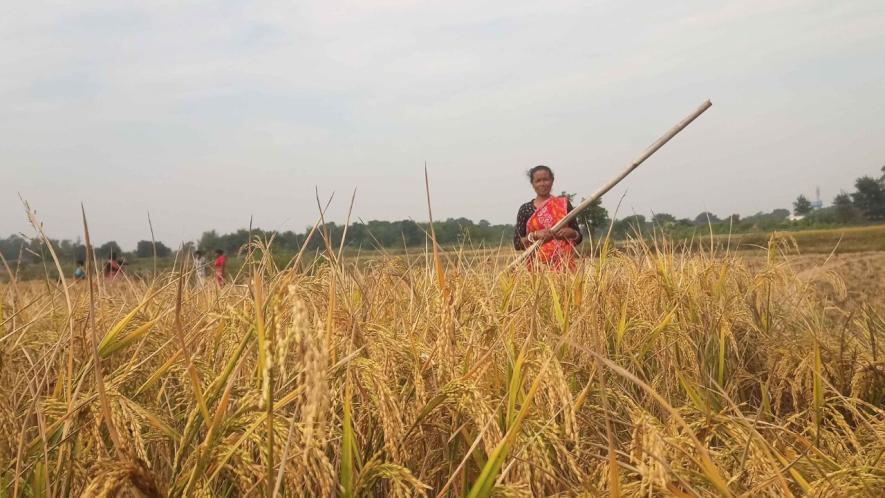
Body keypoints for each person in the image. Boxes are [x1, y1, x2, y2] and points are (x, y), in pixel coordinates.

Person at [514, 165, 582, 269]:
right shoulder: (525, 209)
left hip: (565, 267)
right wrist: (535, 235)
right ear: (532, 184)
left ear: (552, 181)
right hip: (537, 269)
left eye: (545, 180)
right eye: (538, 181)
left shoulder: (563, 204)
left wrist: (571, 233)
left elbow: (579, 237)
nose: (542, 184)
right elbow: (517, 243)